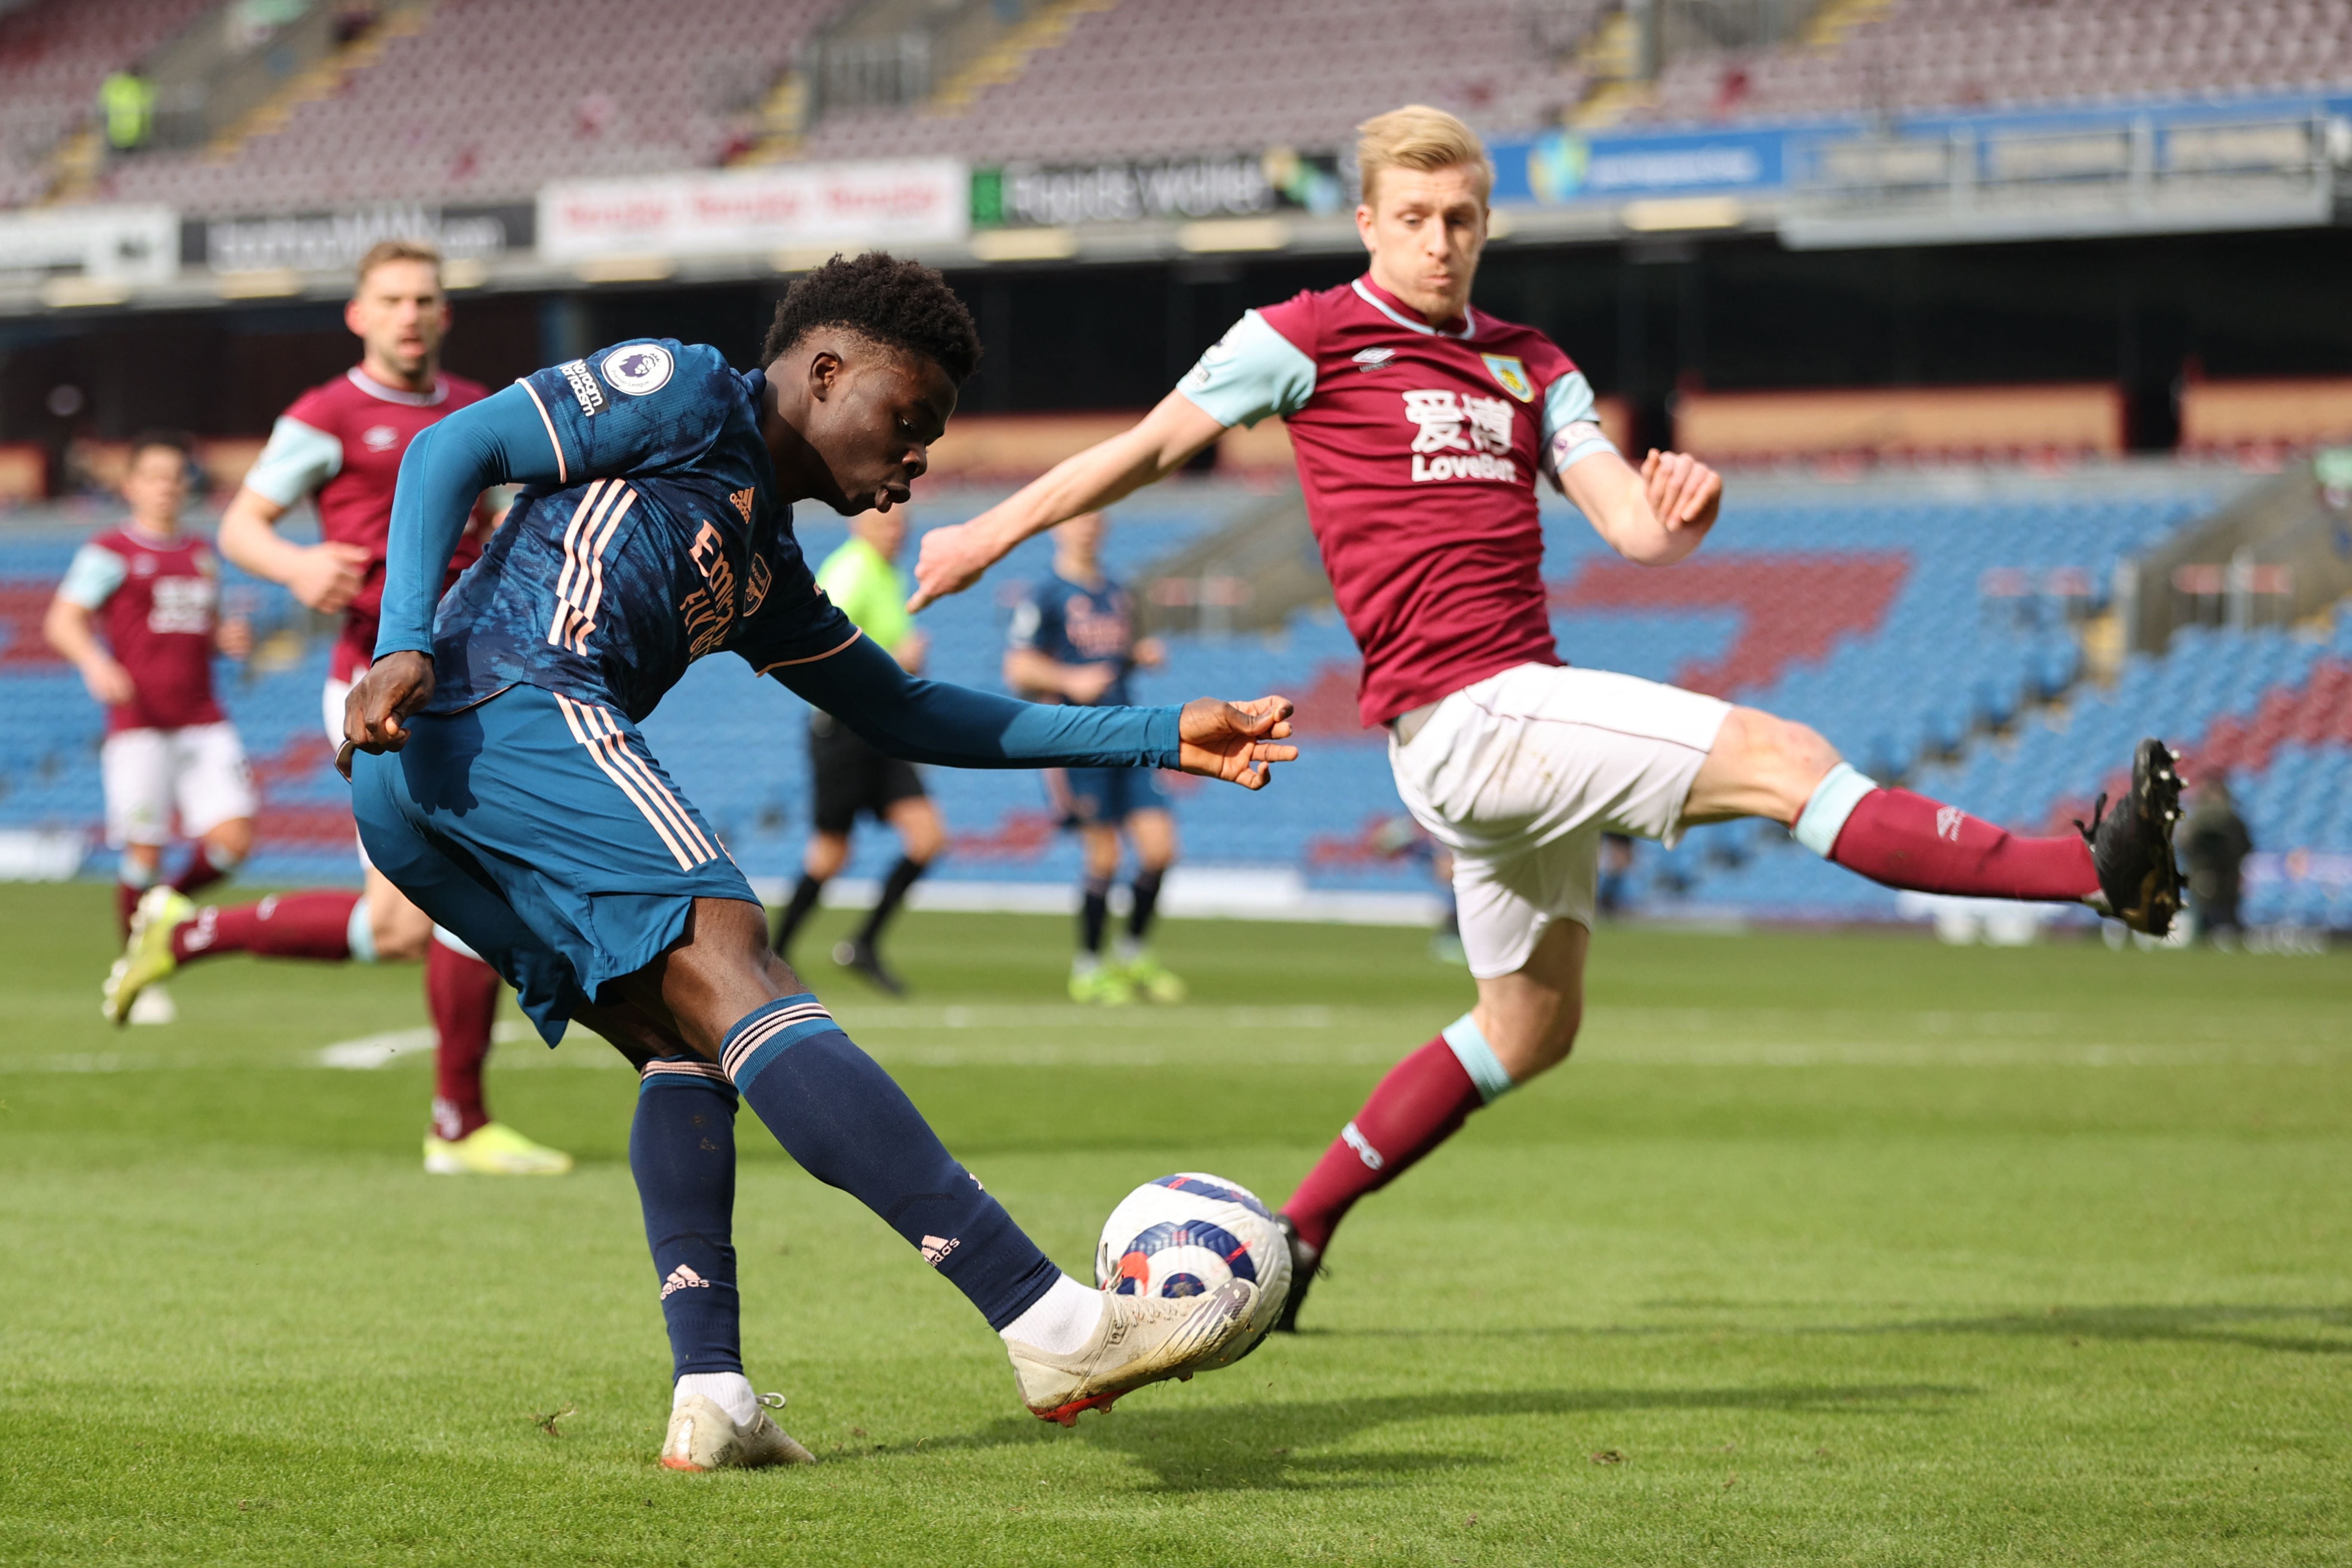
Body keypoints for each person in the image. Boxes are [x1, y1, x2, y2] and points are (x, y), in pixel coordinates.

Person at [906, 104, 2186, 1332]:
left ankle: (1297, 1235)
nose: (1439, 240)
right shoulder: (1302, 336)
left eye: (1461, 216)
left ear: (1485, 223)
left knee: (1533, 1024)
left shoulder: (1531, 363)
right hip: (1465, 713)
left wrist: (1683, 516)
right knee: (1784, 759)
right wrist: (987, 529)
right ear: (1367, 220)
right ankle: (2089, 868)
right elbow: (1142, 448)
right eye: (1413, 215)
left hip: (1514, 710)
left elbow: (1631, 524)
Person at [335, 253, 1299, 1461]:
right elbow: (447, 451)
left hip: (420, 787)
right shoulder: (688, 392)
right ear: (827, 371)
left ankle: (716, 1394)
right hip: (496, 698)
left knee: (680, 1040)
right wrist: (406, 641)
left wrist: (1158, 733)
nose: (916, 459)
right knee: (740, 959)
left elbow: (909, 713)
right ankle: (1047, 1316)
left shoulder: (767, 571)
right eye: (908, 420)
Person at [102, 239, 570, 1177]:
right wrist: (298, 566)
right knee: (465, 901)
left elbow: (513, 520)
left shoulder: (480, 408)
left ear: (445, 314)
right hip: (372, 685)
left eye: (425, 299)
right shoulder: (326, 416)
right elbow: (242, 525)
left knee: (401, 927)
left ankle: (187, 929)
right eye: (391, 299)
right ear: (359, 315)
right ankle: (459, 1126)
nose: (409, 314)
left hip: (469, 677)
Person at [45, 432, 255, 1022]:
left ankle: (163, 911)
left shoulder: (200, 554)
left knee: (235, 841)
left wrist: (225, 639)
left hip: (203, 720)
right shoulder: (110, 550)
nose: (168, 486)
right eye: (155, 476)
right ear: (132, 485)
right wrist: (96, 662)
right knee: (144, 851)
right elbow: (64, 620)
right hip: (140, 726)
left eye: (175, 476)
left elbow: (205, 627)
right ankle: (138, 968)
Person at [1003, 511, 1185, 1004]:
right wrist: (1068, 681)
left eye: (1095, 520)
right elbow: (1017, 667)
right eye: (1078, 519)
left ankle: (1132, 955)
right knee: (1104, 854)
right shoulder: (1045, 594)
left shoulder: (1117, 592)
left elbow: (1112, 657)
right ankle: (1089, 967)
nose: (1087, 528)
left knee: (1160, 849)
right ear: (1058, 527)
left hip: (1131, 732)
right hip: (1079, 739)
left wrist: (1139, 653)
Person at [769, 507, 943, 993]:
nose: (897, 532)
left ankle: (862, 945)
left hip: (879, 729)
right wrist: (896, 658)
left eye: (902, 525)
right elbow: (820, 645)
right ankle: (772, 956)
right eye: (887, 523)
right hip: (843, 730)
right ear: (858, 525)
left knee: (927, 838)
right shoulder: (851, 569)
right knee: (830, 854)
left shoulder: (889, 573)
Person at [2182, 776, 2252, 947]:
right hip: (2203, 872)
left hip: (2226, 873)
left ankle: (2233, 942)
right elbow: (2186, 842)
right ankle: (2201, 942)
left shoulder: (2229, 819)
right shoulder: (2200, 818)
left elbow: (2245, 845)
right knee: (2202, 913)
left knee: (2229, 914)